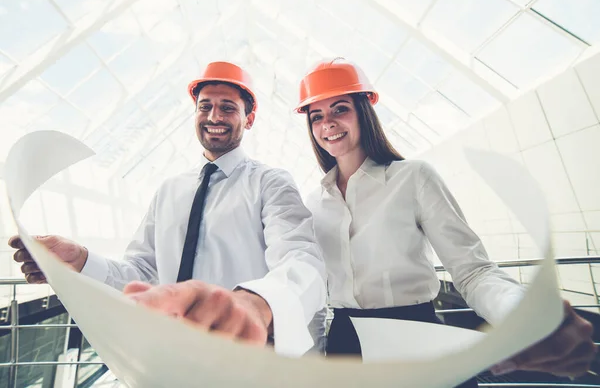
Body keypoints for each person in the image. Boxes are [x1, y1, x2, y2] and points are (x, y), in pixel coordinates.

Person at [294, 58, 596, 383]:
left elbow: (474, 271)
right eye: (316, 116)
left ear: (364, 111)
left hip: (417, 338)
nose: (328, 124)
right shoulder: (314, 202)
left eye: (340, 109)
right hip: (346, 347)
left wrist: (521, 312)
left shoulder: (413, 178)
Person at [10, 61, 327, 357]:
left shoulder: (269, 183)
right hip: (169, 354)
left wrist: (258, 305)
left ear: (249, 119)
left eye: (227, 108)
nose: (214, 116)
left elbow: (300, 258)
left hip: (242, 356)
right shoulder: (169, 190)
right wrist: (81, 260)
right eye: (205, 106)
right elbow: (142, 274)